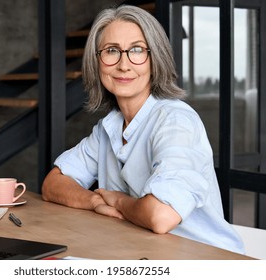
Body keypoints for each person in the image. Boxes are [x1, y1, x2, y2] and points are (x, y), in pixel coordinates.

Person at [42, 5, 244, 254]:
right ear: (97, 62)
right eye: (112, 51)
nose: (123, 65)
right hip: (142, 254)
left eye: (137, 50)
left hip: (205, 261)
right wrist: (96, 201)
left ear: (155, 59)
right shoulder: (109, 127)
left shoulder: (175, 122)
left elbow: (160, 216)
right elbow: (53, 184)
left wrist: (118, 200)